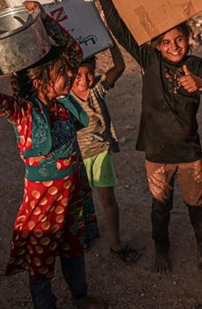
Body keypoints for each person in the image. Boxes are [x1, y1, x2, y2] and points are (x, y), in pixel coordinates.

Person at [0, 1, 102, 309]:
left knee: (74, 249)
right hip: (44, 204)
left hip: (72, 195)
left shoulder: (62, 106)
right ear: (39, 82)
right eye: (62, 72)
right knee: (41, 261)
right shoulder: (24, 112)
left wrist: (44, 20)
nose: (71, 74)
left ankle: (80, 296)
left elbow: (75, 52)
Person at [97, 0, 202, 274]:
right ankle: (161, 248)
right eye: (166, 42)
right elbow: (121, 30)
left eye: (179, 39)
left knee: (196, 205)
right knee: (160, 206)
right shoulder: (149, 60)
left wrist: (200, 84)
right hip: (156, 152)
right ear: (157, 45)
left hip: (188, 152)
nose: (174, 46)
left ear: (188, 39)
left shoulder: (195, 65)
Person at [69, 46, 140, 263]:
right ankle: (81, 238)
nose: (84, 79)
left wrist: (109, 42)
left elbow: (119, 66)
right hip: (76, 157)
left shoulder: (97, 90)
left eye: (89, 73)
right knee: (77, 203)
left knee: (107, 199)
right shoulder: (64, 96)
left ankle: (115, 243)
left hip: (100, 153)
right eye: (78, 74)